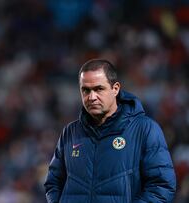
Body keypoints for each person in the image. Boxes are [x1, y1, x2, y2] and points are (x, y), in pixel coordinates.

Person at [44, 59, 176, 203]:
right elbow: (53, 183)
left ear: (115, 89)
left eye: (99, 89)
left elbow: (162, 186)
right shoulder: (70, 132)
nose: (92, 97)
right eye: (85, 90)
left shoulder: (145, 129)